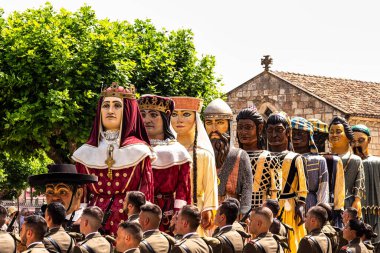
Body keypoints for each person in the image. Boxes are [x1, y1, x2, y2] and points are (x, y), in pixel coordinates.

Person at [72, 83, 155, 235]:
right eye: (106, 106)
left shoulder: (140, 151)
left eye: (117, 105)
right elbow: (81, 195)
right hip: (93, 221)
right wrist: (79, 220)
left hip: (129, 221)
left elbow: (146, 192)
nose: (110, 110)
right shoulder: (84, 153)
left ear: (128, 111)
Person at [138, 95, 191, 232]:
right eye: (142, 115)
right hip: (136, 211)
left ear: (165, 117)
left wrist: (179, 214)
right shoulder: (133, 150)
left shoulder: (178, 152)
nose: (146, 120)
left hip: (166, 215)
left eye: (153, 115)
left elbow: (183, 189)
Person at [170, 96, 218, 236]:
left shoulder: (204, 154)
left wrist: (208, 209)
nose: (179, 120)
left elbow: (211, 186)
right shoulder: (167, 151)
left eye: (185, 114)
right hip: (170, 209)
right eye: (174, 114)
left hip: (196, 210)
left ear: (195, 118)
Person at [266, 111, 308, 253]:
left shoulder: (296, 158)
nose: (274, 135)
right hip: (266, 207)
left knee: (290, 242)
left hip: (289, 207)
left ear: (288, 132)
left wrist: (301, 205)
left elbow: (302, 186)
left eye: (278, 130)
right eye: (270, 131)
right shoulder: (263, 156)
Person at [204, 99, 252, 217]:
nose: (214, 128)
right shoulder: (200, 155)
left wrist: (244, 213)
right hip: (204, 215)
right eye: (209, 123)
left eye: (219, 122)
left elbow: (247, 189)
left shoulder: (240, 156)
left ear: (228, 125)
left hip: (231, 217)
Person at [28, 164, 97, 233]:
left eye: (62, 192)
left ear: (78, 193)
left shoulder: (89, 223)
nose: (55, 197)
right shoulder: (39, 224)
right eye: (50, 192)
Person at [237, 107, 280, 208]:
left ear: (259, 128)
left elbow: (275, 191)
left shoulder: (270, 158)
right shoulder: (233, 156)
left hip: (261, 212)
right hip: (235, 212)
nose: (243, 132)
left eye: (248, 127)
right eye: (240, 127)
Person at [309, 118, 345, 228]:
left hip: (328, 206)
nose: (316, 140)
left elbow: (339, 188)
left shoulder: (334, 160)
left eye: (319, 136)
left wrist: (338, 209)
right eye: (314, 136)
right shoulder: (301, 157)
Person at [328, 117, 365, 217]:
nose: (334, 135)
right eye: (331, 132)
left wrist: (357, 200)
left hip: (348, 203)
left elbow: (359, 182)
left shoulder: (355, 160)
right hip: (326, 202)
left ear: (348, 136)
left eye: (338, 131)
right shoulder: (324, 158)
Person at [291, 117, 329, 211]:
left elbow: (323, 189)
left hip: (310, 205)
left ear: (309, 136)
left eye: (300, 133)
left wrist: (320, 212)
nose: (296, 137)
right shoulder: (287, 158)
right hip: (287, 204)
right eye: (293, 134)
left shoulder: (319, 160)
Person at [351, 124, 380, 244]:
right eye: (353, 141)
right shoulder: (349, 163)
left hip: (376, 215)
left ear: (369, 140)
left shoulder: (377, 162)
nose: (356, 144)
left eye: (361, 140)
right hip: (354, 215)